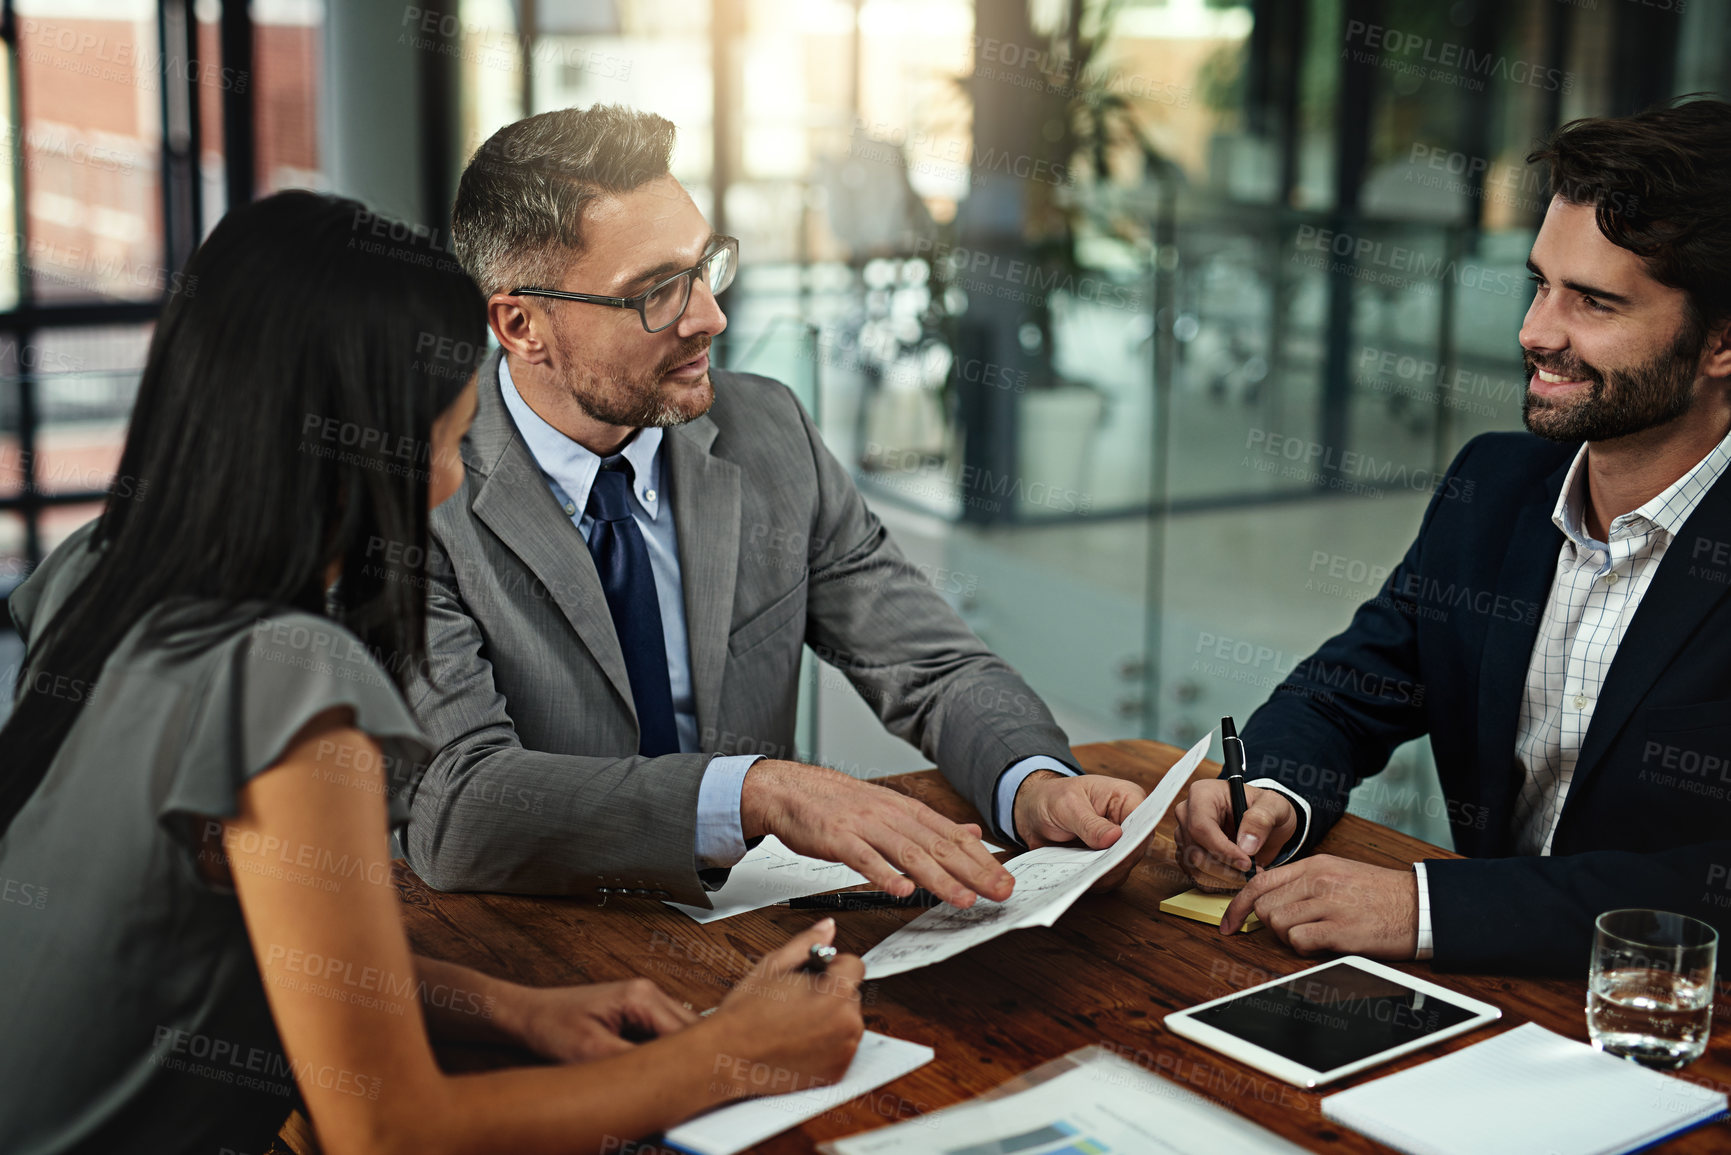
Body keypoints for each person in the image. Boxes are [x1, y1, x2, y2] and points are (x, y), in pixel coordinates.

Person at [0, 191, 862, 1155]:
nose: (451, 483)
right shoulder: (289, 676)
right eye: (449, 444)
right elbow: (390, 1130)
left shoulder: (93, 570)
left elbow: (272, 927)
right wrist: (738, 1052)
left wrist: (508, 1007)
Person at [403, 104, 1149, 909]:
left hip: (758, 930)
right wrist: (755, 793)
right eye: (655, 292)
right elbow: (458, 804)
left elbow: (930, 664)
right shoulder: (417, 485)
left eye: (703, 266)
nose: (708, 316)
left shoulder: (768, 431)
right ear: (521, 325)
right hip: (533, 947)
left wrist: (1032, 781)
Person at [1174, 97, 1731, 975]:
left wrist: (1428, 905)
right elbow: (1348, 688)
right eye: (1539, 282)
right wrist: (1272, 791)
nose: (1534, 332)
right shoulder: (1495, 486)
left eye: (1592, 301)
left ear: (1720, 343)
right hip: (1490, 1008)